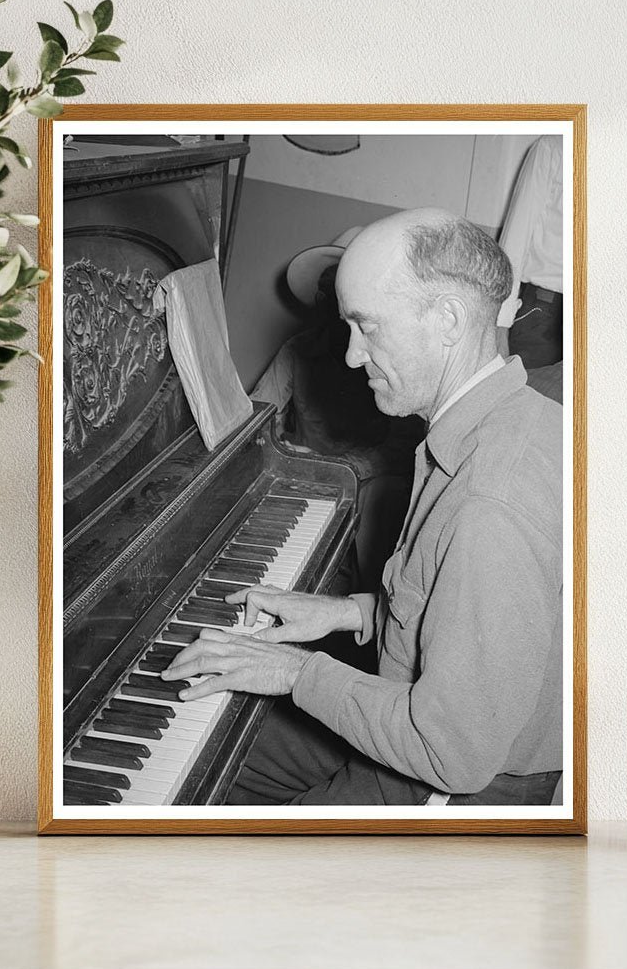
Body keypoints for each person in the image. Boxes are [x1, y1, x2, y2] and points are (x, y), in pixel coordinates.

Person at [163, 207, 563, 806]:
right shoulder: (521, 418)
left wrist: (296, 672)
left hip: (453, 783)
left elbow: (451, 753)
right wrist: (345, 614)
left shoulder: (488, 506)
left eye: (368, 327)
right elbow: (462, 617)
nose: (351, 357)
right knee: (197, 734)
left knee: (225, 862)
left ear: (448, 319)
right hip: (423, 715)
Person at [250, 228, 423, 592]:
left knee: (385, 499)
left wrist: (340, 468)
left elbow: (403, 446)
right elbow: (258, 414)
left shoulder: (389, 360)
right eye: (329, 294)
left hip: (365, 483)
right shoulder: (299, 349)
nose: (337, 308)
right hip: (301, 474)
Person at [496, 135, 564, 369]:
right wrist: (501, 324)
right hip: (545, 311)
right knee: (520, 399)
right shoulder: (554, 148)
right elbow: (516, 235)